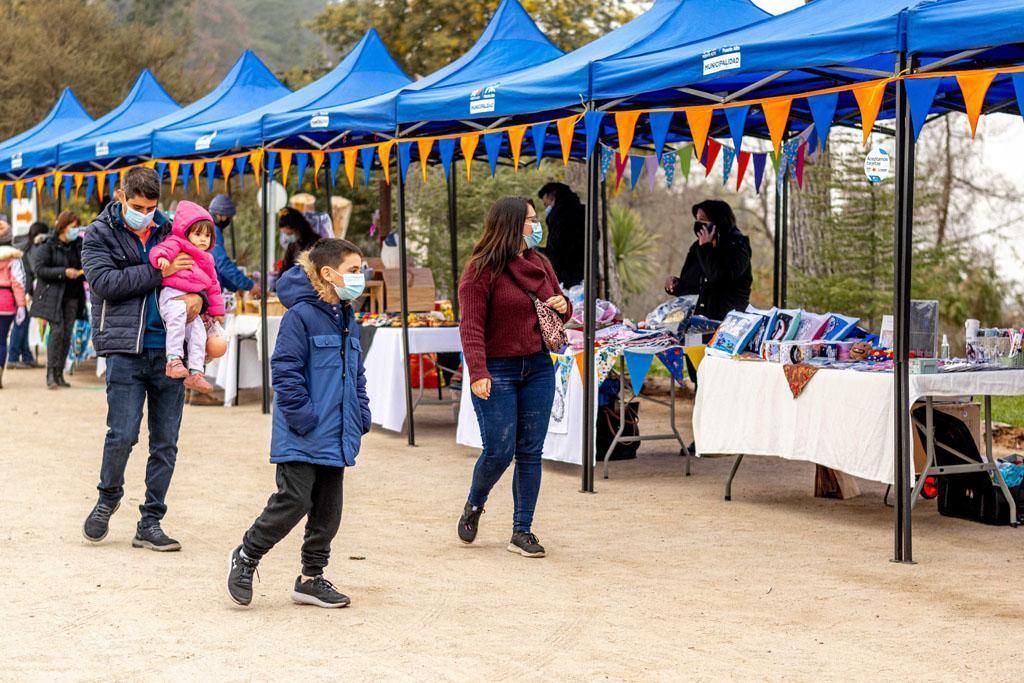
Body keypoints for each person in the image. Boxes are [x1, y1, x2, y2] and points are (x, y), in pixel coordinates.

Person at [226, 238, 371, 608]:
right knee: (293, 500)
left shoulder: (348, 318)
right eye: (355, 270)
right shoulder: (300, 316)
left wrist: (362, 413)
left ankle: (311, 577)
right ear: (328, 273)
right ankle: (246, 556)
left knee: (328, 509)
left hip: (337, 434)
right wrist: (304, 416)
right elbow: (285, 371)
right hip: (302, 432)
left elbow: (357, 373)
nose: (361, 276)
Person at [80, 167, 205, 552]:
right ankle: (107, 498)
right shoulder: (98, 234)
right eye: (137, 206)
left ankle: (151, 521)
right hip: (125, 349)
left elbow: (198, 269)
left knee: (166, 442)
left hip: (171, 352)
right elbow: (108, 285)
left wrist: (199, 300)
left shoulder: (171, 229)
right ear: (120, 196)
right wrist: (157, 270)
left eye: (151, 207)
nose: (145, 213)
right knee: (122, 434)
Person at [456, 196, 571, 558]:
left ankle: (522, 531)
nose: (537, 226)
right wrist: (478, 371)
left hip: (538, 367)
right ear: (511, 224)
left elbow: (555, 313)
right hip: (497, 370)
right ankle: (475, 503)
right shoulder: (480, 269)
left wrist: (563, 306)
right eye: (531, 220)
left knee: (530, 453)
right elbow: (470, 325)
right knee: (499, 451)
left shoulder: (541, 263)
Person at [148, 201, 225, 393]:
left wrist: (217, 311)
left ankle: (196, 372)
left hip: (192, 300)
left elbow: (214, 287)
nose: (203, 240)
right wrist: (162, 259)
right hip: (172, 296)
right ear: (186, 232)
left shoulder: (208, 259)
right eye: (198, 234)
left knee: (198, 332)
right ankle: (173, 359)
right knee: (177, 320)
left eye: (207, 235)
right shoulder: (178, 243)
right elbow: (159, 250)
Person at [664, 199, 752, 321]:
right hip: (696, 322)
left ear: (718, 222)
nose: (698, 223)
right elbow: (692, 286)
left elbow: (718, 278)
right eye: (697, 219)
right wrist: (676, 285)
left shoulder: (737, 247)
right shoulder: (697, 247)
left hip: (726, 323)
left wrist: (706, 249)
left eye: (703, 219)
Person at [31, 211, 87, 389]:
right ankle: (51, 373)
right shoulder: (48, 246)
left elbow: (86, 264)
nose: (75, 230)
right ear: (63, 227)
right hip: (53, 297)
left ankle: (59, 373)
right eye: (73, 227)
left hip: (73, 296)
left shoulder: (79, 245)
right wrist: (63, 272)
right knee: (57, 334)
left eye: (77, 226)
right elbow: (39, 270)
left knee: (67, 335)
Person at [6, 222, 48, 369]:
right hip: (22, 291)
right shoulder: (36, 247)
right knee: (21, 323)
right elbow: (32, 272)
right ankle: (12, 357)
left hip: (20, 291)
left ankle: (26, 356)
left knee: (23, 323)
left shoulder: (23, 245)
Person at [208, 194, 261, 299]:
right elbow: (223, 265)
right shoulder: (213, 230)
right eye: (228, 217)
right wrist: (249, 285)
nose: (229, 220)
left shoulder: (210, 228)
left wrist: (236, 287)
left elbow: (217, 268)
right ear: (220, 215)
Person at [537, 182, 586, 288]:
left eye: (546, 204)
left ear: (553, 196)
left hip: (568, 279)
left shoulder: (560, 218)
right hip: (584, 276)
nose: (546, 209)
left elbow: (556, 252)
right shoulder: (583, 212)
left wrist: (536, 252)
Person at [0, 242, 27, 389]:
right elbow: (18, 283)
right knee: (2, 340)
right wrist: (21, 305)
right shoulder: (13, 258)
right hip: (6, 302)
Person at [276, 207, 321, 282]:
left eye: (289, 234)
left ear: (297, 228)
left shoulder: (315, 243)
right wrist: (278, 283)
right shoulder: (291, 246)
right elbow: (285, 267)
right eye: (284, 234)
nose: (286, 238)